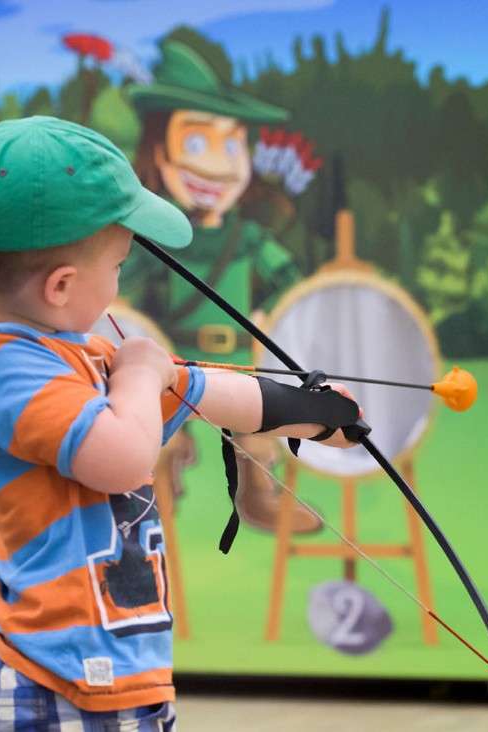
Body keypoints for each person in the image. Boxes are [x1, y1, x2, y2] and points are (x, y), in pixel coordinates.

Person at [0, 116, 364, 729]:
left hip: (120, 683)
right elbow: (121, 459)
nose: (121, 280)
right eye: (118, 264)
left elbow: (206, 392)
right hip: (54, 687)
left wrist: (313, 413)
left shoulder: (80, 356)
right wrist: (142, 373)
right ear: (61, 286)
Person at [124, 38, 321, 536]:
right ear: (158, 151)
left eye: (231, 145)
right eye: (196, 143)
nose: (216, 164)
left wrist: (271, 320)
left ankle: (258, 495)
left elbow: (292, 288)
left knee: (260, 430)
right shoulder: (155, 241)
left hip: (238, 363)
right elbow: (119, 298)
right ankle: (155, 497)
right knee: (158, 435)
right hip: (173, 369)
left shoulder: (247, 239)